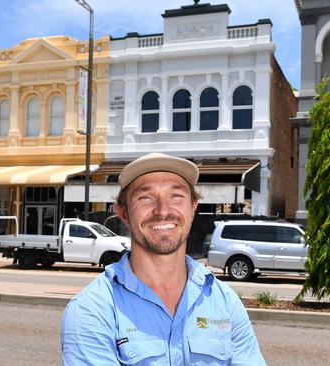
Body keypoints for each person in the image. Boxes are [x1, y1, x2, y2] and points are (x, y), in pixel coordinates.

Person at [61, 152, 265, 365]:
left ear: (193, 206)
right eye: (146, 197)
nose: (163, 210)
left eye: (176, 196)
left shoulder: (224, 301)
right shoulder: (91, 310)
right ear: (123, 212)